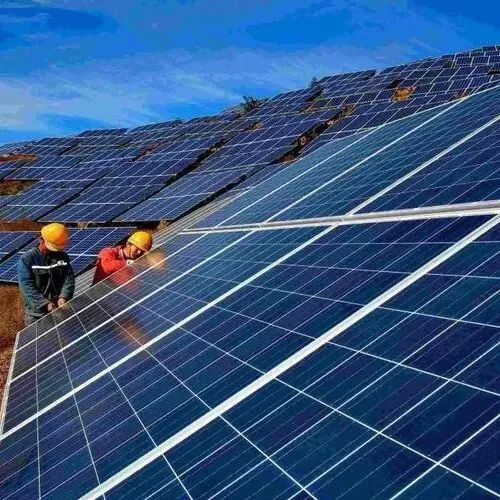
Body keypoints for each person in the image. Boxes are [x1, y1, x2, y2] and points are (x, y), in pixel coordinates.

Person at [18, 223, 75, 326]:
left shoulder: (62, 257)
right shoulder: (28, 259)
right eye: (51, 247)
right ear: (41, 239)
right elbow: (26, 285)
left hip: (58, 310)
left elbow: (69, 278)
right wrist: (45, 304)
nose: (54, 251)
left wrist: (64, 296)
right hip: (36, 315)